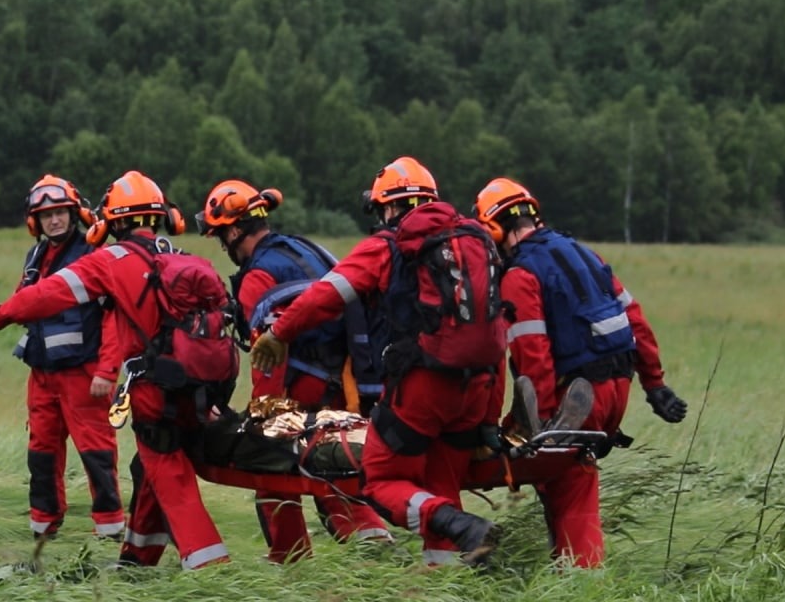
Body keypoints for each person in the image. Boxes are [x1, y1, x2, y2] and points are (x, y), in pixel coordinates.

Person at [0, 170, 230, 570]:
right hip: (197, 389)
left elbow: (46, 295)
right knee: (148, 469)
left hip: (152, 392)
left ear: (113, 219)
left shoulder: (108, 261)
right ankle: (137, 560)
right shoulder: (179, 257)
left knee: (166, 472)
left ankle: (208, 564)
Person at [251, 157, 505, 566]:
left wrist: (279, 333)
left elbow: (327, 295)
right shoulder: (475, 241)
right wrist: (490, 420)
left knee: (380, 479)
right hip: (478, 387)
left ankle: (464, 529)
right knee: (442, 483)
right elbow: (496, 331)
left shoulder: (389, 246)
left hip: (424, 384)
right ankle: (448, 579)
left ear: (389, 207)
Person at [472, 177, 688, 567]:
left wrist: (539, 423)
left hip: (574, 398)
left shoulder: (519, 275)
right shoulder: (587, 255)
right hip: (616, 392)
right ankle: (576, 571)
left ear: (495, 228)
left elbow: (533, 356)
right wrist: (655, 385)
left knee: (563, 478)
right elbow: (634, 319)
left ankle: (577, 573)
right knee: (577, 473)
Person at [196, 179, 391, 563]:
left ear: (235, 230)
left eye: (221, 235)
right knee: (333, 465)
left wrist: (262, 414)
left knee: (273, 473)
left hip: (302, 386)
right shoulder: (308, 249)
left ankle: (290, 558)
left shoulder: (258, 276)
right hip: (345, 383)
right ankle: (373, 538)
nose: (223, 245)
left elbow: (270, 355)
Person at [12, 174, 124, 541]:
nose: (54, 221)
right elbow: (25, 301)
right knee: (41, 453)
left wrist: (107, 370)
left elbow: (114, 319)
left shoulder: (93, 255)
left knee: (96, 453)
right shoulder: (36, 256)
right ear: (36, 222)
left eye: (60, 213)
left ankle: (109, 529)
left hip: (84, 373)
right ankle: (42, 527)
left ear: (74, 213)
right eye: (46, 216)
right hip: (42, 375)